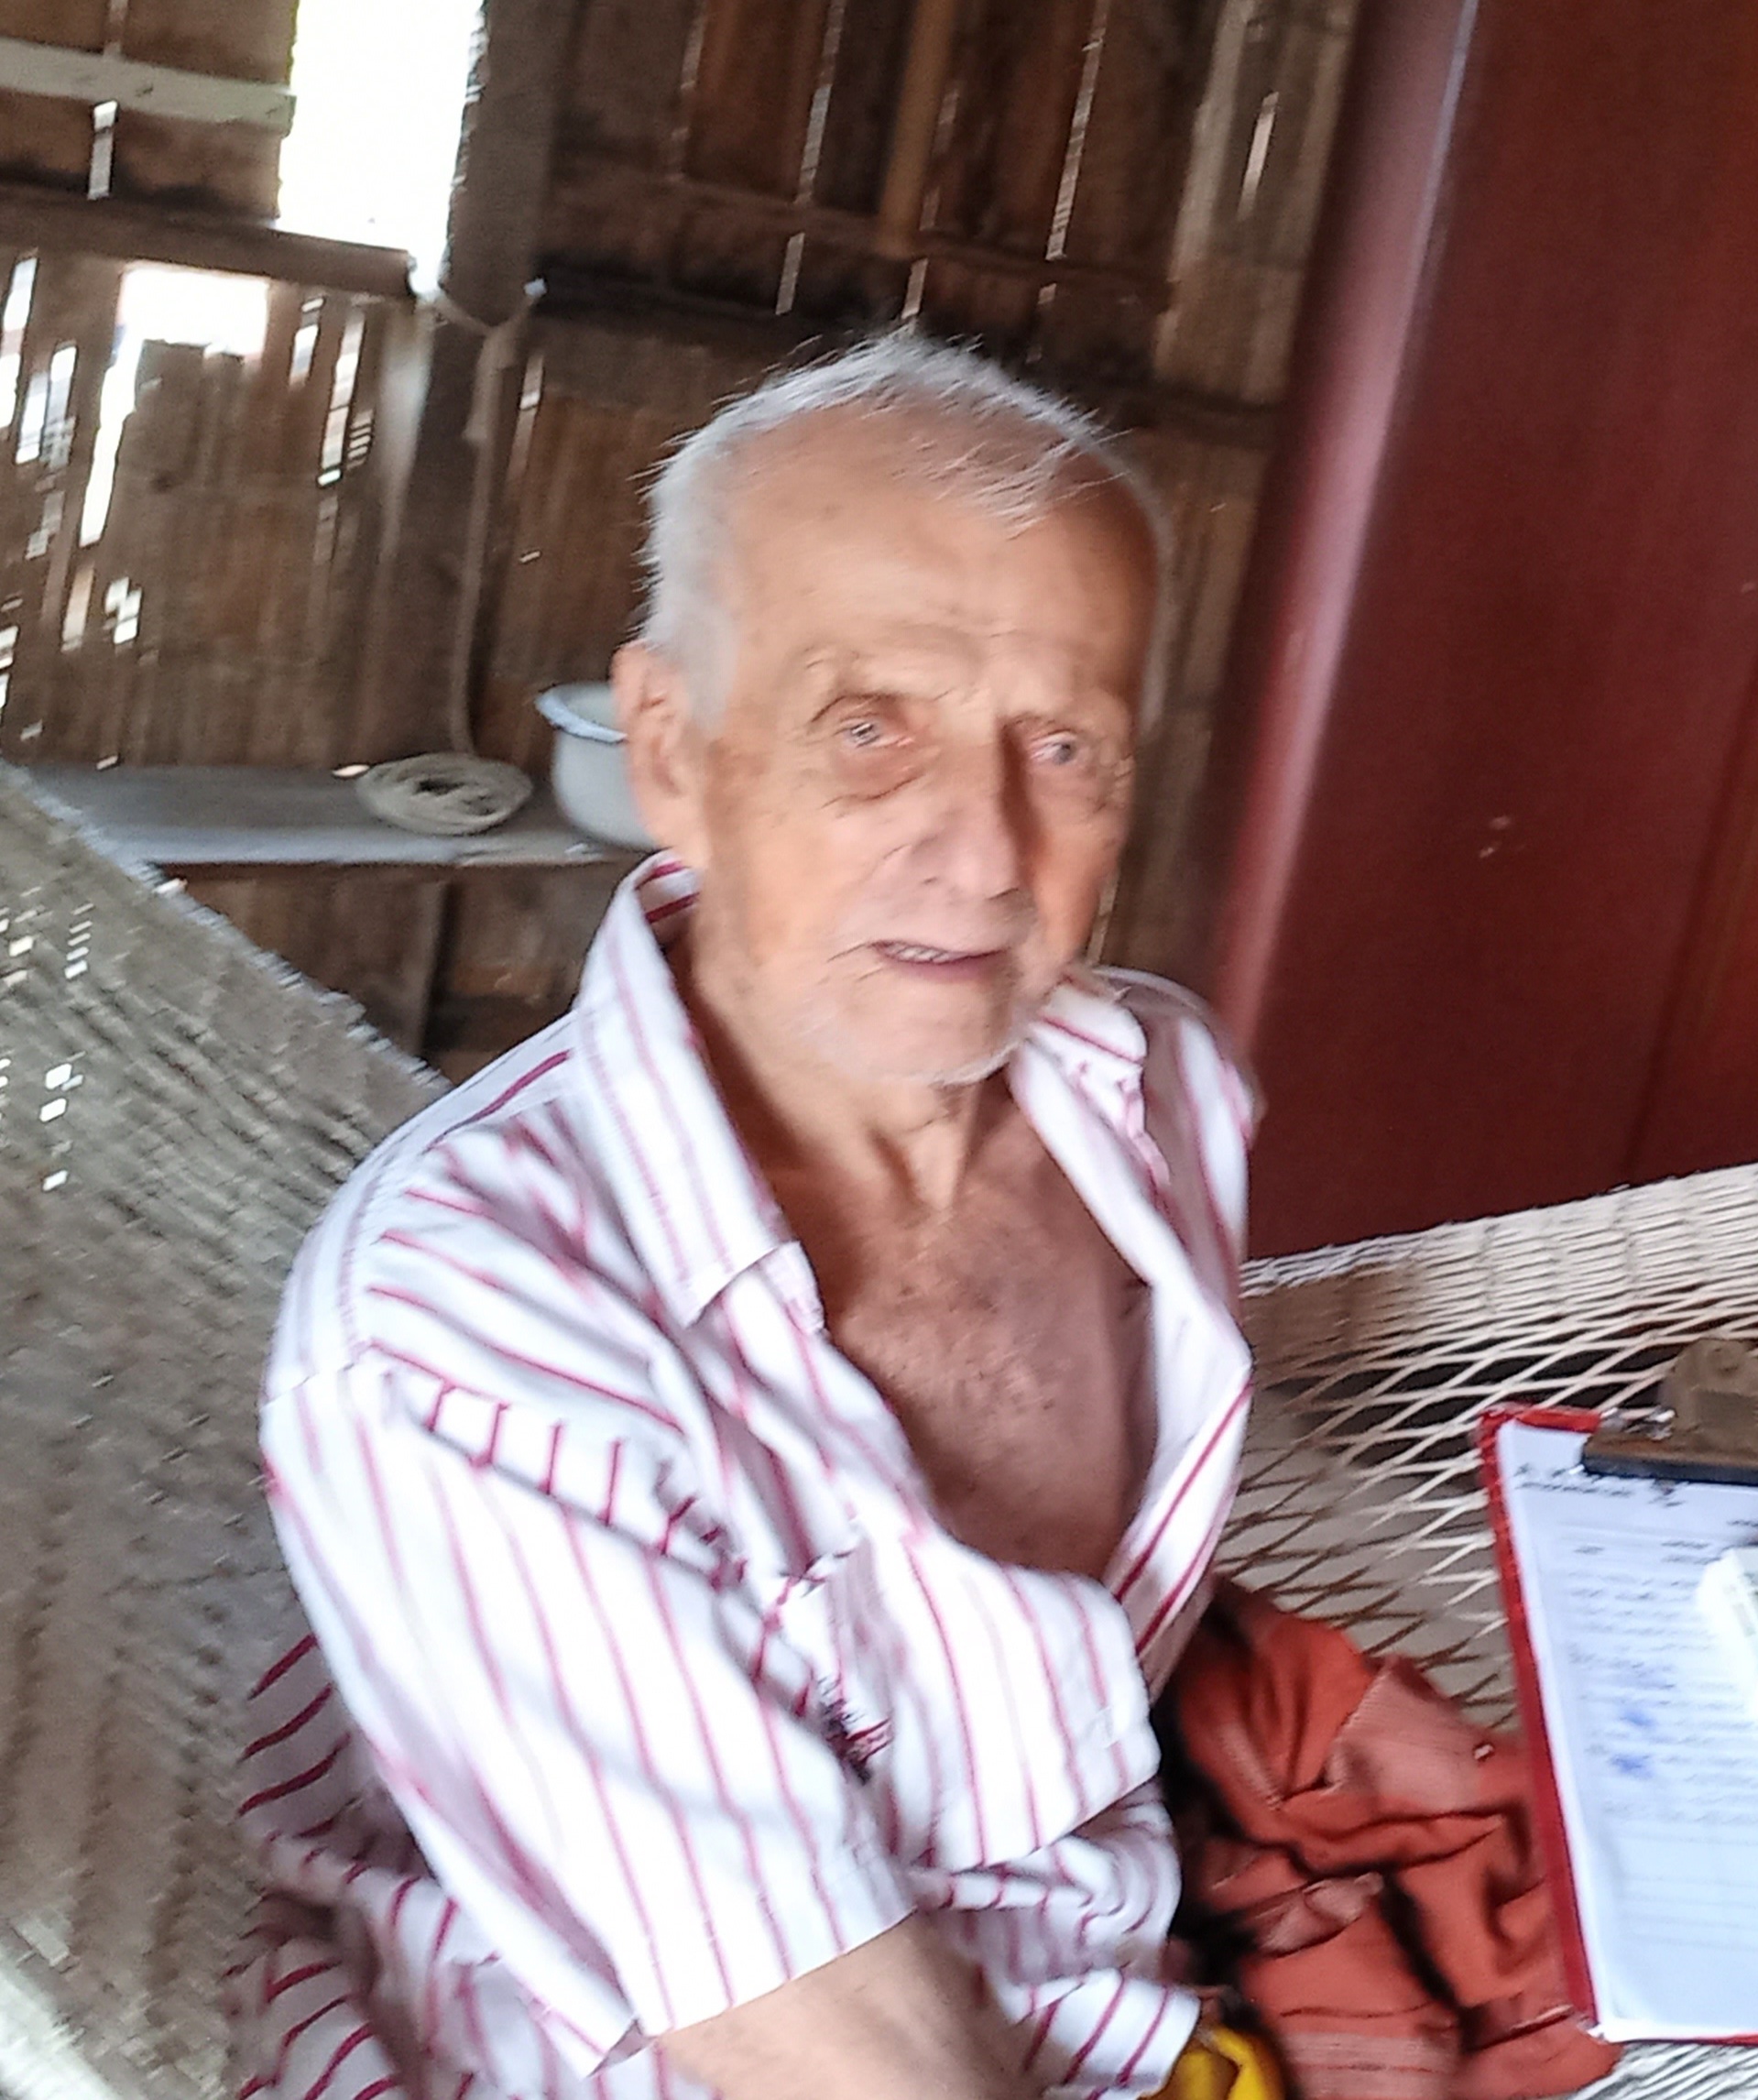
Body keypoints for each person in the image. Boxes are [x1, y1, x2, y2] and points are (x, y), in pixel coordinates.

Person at [229, 335, 1261, 2100]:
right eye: (870, 730)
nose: (983, 853)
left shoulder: (1154, 1093)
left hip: (1126, 1991)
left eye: (1062, 746)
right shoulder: (461, 1326)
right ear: (671, 752)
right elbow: (800, 2026)